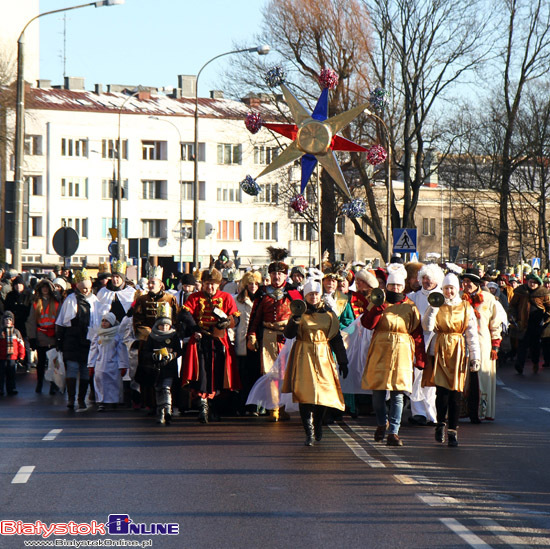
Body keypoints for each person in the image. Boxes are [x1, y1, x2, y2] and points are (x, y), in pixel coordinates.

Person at [361, 264, 426, 446]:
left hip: (402, 350)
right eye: (392, 285)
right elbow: (368, 324)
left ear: (402, 286)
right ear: (387, 286)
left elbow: (417, 333)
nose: (395, 288)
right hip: (380, 349)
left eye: (398, 285)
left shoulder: (410, 307)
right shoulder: (377, 301)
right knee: (378, 395)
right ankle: (382, 423)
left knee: (398, 394)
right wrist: (377, 309)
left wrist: (420, 358)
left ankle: (393, 432)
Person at [282, 278, 349, 446]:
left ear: (320, 295)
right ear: (305, 296)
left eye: (316, 294)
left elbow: (336, 339)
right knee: (305, 395)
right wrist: (294, 321)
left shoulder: (329, 314)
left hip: (323, 355)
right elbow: (289, 334)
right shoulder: (299, 313)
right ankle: (308, 432)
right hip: (303, 354)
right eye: (310, 294)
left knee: (323, 394)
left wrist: (343, 361)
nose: (313, 297)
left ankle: (318, 422)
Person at [421, 273, 481, 447]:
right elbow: (427, 326)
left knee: (456, 392)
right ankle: (441, 423)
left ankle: (453, 431)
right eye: (446, 288)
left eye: (452, 288)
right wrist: (433, 308)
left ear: (457, 289)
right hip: (440, 349)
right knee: (442, 393)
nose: (449, 292)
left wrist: (475, 356)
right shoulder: (436, 304)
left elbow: (471, 333)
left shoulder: (465, 307)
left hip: (458, 350)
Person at [246, 247, 301, 421]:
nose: (276, 277)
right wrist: (252, 335)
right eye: (274, 274)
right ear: (269, 276)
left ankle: (283, 406)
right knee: (270, 374)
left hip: (287, 338)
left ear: (285, 276)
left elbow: (301, 317)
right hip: (268, 337)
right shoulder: (263, 294)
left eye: (280, 274)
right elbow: (255, 317)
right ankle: (273, 408)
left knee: (285, 374)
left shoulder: (293, 293)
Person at [179, 267, 241, 423]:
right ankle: (203, 407)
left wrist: (228, 322)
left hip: (219, 340)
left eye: (213, 284)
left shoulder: (226, 297)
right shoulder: (195, 297)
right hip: (201, 340)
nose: (210, 287)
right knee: (202, 374)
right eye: (207, 283)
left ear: (218, 284)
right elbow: (185, 313)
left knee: (219, 373)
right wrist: (195, 328)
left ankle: (214, 407)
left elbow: (235, 317)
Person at [133, 266, 178, 412]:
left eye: (153, 282)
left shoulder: (170, 299)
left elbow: (176, 320)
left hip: (166, 341)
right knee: (148, 373)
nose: (150, 285)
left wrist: (169, 335)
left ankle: (167, 404)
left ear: (161, 284)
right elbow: (138, 321)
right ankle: (150, 403)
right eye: (149, 282)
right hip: (147, 342)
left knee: (165, 372)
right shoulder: (142, 299)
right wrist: (151, 335)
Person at [55, 269, 101, 411]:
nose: (86, 291)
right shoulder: (71, 300)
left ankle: (81, 399)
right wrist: (59, 341)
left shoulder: (95, 301)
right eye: (83, 288)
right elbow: (62, 322)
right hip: (72, 339)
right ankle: (71, 398)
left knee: (85, 370)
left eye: (88, 288)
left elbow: (98, 321)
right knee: (72, 369)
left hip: (89, 340)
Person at [461, 269, 502, 422]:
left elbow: (495, 323)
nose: (466, 285)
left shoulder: (489, 300)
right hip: (463, 342)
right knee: (463, 377)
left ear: (477, 283)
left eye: (469, 282)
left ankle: (478, 412)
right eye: (464, 282)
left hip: (483, 343)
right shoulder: (459, 298)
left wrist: (495, 344)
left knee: (480, 377)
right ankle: (461, 410)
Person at [407, 263, 444, 426]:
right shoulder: (414, 297)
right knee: (416, 377)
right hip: (417, 341)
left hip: (436, 343)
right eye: (424, 278)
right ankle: (418, 413)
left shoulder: (443, 297)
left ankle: (432, 413)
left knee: (431, 380)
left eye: (430, 279)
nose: (426, 281)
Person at [141, 304, 182, 425]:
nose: (164, 327)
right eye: (161, 325)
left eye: (166, 325)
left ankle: (168, 410)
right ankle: (160, 412)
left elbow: (179, 351)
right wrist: (153, 356)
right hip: (156, 368)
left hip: (169, 368)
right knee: (158, 389)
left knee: (166, 388)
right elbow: (145, 352)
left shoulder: (173, 336)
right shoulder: (152, 336)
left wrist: (172, 355)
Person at [508, 273, 550, 375]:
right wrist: (513, 316)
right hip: (523, 323)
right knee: (522, 344)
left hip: (537, 324)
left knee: (535, 346)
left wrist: (546, 318)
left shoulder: (543, 293)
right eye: (531, 282)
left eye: (535, 283)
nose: (532, 284)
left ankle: (535, 362)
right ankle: (519, 365)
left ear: (538, 284)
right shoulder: (520, 292)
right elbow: (513, 305)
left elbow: (549, 307)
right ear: (527, 281)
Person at [233, 271, 262, 415]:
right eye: (250, 283)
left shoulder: (262, 299)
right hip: (241, 342)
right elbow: (233, 322)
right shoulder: (236, 300)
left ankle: (254, 406)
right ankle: (242, 405)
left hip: (256, 343)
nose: (253, 286)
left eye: (256, 283)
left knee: (256, 375)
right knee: (242, 375)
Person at [87, 312, 129, 411]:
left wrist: (123, 365)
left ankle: (113, 402)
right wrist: (91, 365)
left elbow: (121, 352)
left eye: (107, 321)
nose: (104, 323)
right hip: (100, 364)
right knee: (99, 383)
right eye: (103, 321)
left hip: (113, 364)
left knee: (113, 383)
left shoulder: (117, 336)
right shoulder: (98, 335)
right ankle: (101, 402)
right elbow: (93, 350)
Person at [26, 278, 61, 394]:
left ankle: (53, 384)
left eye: (46, 287)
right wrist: (32, 337)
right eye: (43, 288)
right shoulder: (36, 303)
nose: (45, 289)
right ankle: (39, 382)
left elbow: (59, 320)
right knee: (41, 362)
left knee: (53, 362)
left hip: (53, 336)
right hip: (41, 335)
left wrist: (59, 336)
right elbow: (31, 321)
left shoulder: (56, 303)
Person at [4, 275, 33, 372]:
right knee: (12, 343)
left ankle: (27, 363)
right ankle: (15, 362)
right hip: (13, 323)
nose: (18, 286)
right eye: (16, 285)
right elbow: (7, 309)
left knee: (25, 344)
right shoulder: (10, 296)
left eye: (20, 284)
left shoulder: (28, 295)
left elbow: (30, 310)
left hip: (25, 323)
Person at [0, 311, 25, 395]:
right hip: (2, 357)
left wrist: (21, 355)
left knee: (11, 374)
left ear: (12, 321)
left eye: (9, 319)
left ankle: (12, 388)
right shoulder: (1, 332)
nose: (7, 321)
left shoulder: (16, 332)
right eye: (6, 319)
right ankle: (1, 389)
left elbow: (21, 344)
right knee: (1, 374)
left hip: (12, 356)